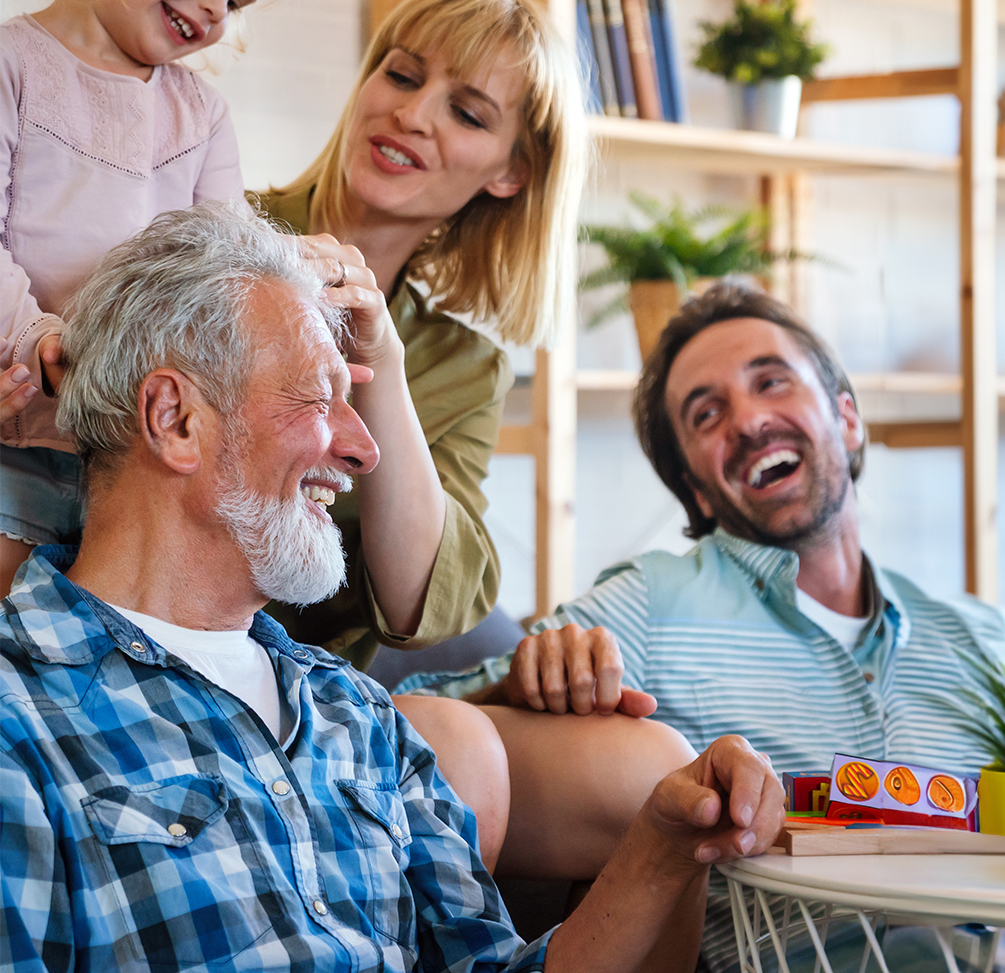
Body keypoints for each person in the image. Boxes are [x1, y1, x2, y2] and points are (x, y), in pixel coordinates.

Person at [0, 203, 784, 973]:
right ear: (175, 419)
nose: (364, 448)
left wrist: (663, 844)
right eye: (316, 397)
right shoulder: (20, 718)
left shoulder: (354, 714)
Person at [403, 284, 1005, 971]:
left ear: (846, 419)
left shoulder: (988, 641)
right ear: (696, 489)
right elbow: (405, 725)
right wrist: (530, 675)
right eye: (706, 414)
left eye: (771, 381)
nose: (749, 420)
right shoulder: (649, 602)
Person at [0, 0, 312, 596]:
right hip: (14, 427)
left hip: (136, 455)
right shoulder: (12, 67)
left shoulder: (199, 116)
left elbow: (219, 277)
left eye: (239, 0)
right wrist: (35, 343)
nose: (216, 11)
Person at [256, 0, 588, 669]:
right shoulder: (218, 228)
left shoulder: (467, 368)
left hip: (308, 686)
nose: (410, 114)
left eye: (467, 114)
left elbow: (416, 607)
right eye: (402, 75)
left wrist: (386, 365)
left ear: (511, 173)